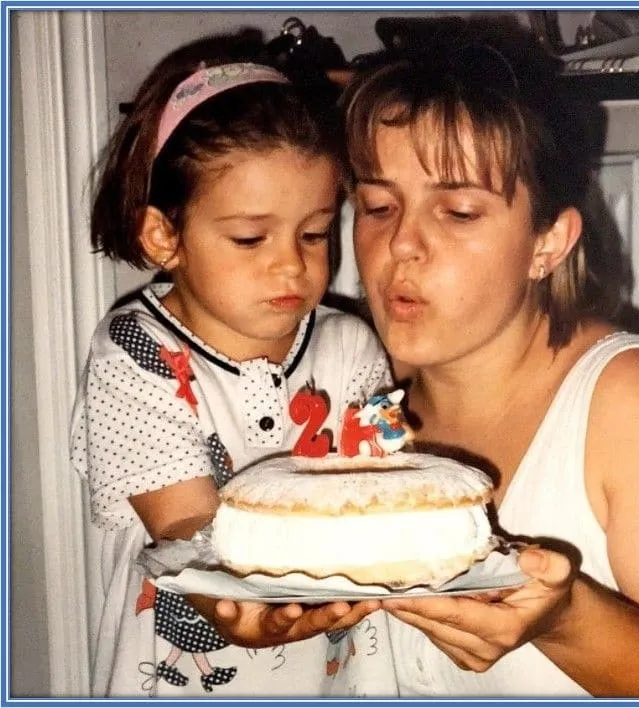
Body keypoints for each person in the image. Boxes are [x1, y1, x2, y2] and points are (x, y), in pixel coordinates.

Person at [326, 13, 639, 697]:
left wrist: (565, 617)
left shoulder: (633, 402)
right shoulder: (356, 391)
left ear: (548, 242)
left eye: (457, 212)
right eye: (376, 206)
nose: (400, 246)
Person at [70, 30, 387, 697]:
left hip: (332, 672)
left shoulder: (349, 345)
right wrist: (234, 610)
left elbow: (383, 479)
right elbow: (184, 525)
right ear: (164, 235)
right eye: (250, 237)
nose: (291, 263)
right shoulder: (136, 353)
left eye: (313, 233)